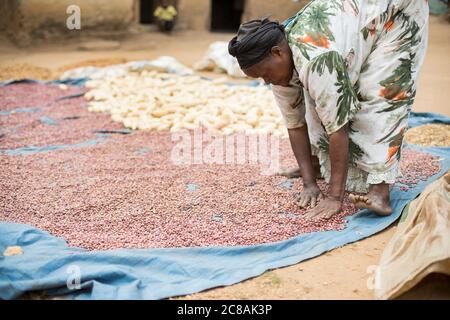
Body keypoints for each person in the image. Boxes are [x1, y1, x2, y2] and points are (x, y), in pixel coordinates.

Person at [228, 0, 429, 219]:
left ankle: (380, 189)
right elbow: (294, 123)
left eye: (265, 74)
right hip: (354, 21)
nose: (266, 82)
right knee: (319, 100)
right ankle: (316, 165)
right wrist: (309, 182)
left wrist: (334, 197)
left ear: (277, 53)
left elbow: (337, 127)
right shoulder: (277, 58)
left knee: (378, 94)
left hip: (396, 11)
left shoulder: (315, 59)